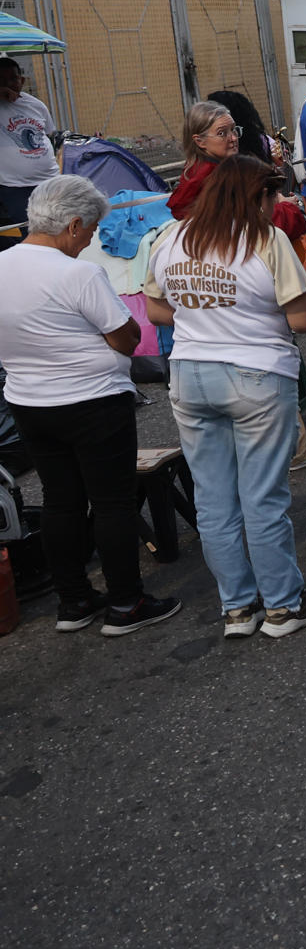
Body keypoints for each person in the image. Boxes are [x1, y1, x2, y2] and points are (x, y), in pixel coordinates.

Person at [143, 156, 306, 639]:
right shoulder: (265, 240)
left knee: (213, 501)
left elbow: (156, 310)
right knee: (263, 499)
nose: (277, 207)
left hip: (188, 375)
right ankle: (284, 607)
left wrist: (203, 312)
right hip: (255, 375)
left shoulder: (172, 237)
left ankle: (238, 608)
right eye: (273, 197)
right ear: (258, 196)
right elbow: (303, 320)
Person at [0, 174, 179, 634]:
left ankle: (74, 601)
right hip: (93, 400)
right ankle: (126, 603)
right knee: (112, 502)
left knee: (60, 502)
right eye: (93, 229)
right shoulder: (77, 272)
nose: (93, 239)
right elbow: (125, 337)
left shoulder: (2, 265)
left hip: (29, 401)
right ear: (74, 224)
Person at [170, 102, 306, 243]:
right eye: (222, 133)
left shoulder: (195, 171)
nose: (234, 138)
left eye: (233, 129)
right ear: (200, 141)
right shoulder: (219, 178)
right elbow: (253, 225)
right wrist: (287, 207)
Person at [0, 57, 57, 250]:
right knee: (30, 236)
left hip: (49, 181)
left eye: (13, 79)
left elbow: (50, 134)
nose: (8, 84)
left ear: (22, 81)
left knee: (56, 228)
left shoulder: (36, 105)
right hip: (15, 187)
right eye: (1, 79)